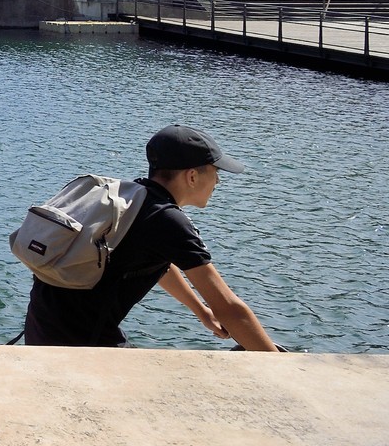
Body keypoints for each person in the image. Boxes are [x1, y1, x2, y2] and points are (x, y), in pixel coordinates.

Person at [22, 125, 279, 350]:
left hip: (41, 326)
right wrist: (279, 365)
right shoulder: (168, 220)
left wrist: (202, 312)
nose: (218, 181)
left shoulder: (133, 198)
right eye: (215, 172)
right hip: (81, 343)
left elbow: (160, 265)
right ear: (192, 176)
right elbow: (229, 307)